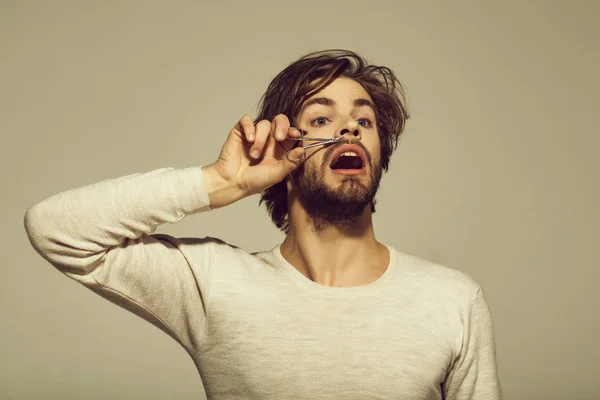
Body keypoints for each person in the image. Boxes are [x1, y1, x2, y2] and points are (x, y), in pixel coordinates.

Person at [24, 49, 502, 399]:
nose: (350, 129)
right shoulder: (215, 284)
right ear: (285, 145)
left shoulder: (452, 300)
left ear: (379, 154)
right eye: (321, 118)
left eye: (365, 121)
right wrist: (221, 181)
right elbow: (54, 229)